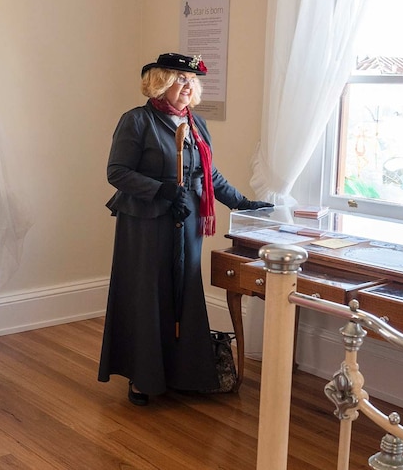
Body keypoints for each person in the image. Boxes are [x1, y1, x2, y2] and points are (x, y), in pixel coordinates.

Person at [97, 52, 273, 406]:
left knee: (184, 292)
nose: (187, 85)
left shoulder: (196, 124)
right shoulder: (137, 121)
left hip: (187, 219)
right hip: (147, 221)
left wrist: (241, 202)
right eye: (180, 79)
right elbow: (117, 172)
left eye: (191, 80)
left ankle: (182, 373)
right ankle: (142, 376)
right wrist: (161, 189)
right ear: (160, 82)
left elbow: (207, 175)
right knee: (150, 294)